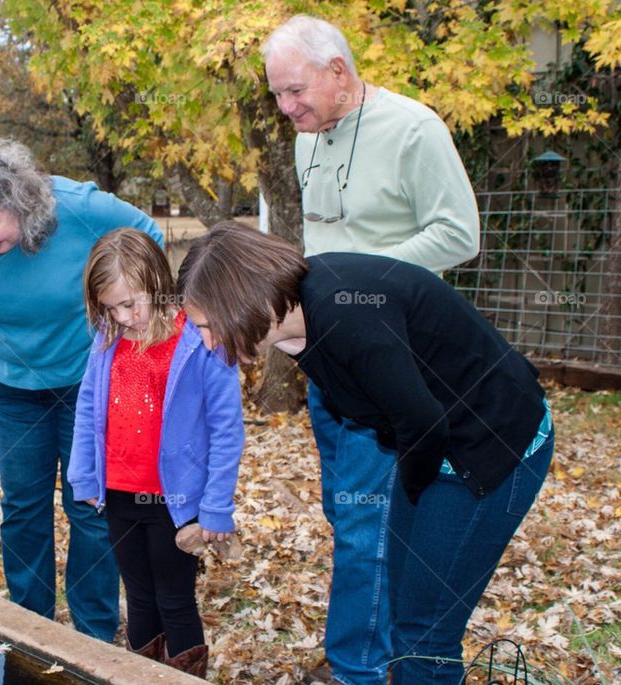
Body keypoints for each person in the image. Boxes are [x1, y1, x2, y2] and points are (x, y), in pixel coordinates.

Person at [178, 223, 554, 685]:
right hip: (438, 448)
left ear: (242, 300)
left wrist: (417, 499)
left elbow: (422, 422)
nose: (211, 343)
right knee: (404, 610)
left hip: (494, 447)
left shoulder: (346, 314)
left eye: (209, 327)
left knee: (425, 636)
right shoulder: (298, 320)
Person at [262, 14, 481, 683]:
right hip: (330, 362)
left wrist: (369, 285)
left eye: (296, 90)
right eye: (277, 94)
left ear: (339, 70)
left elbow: (459, 233)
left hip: (392, 358)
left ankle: (356, 670)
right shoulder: (308, 139)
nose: (287, 107)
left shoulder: (414, 129)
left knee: (365, 525)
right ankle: (383, 651)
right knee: (351, 513)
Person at [0, 139, 163, 642]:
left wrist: (129, 320)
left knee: (88, 506)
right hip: (12, 391)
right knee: (23, 506)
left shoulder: (79, 208)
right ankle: (29, 627)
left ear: (20, 203)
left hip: (86, 383)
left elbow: (146, 234)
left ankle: (92, 634)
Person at [67, 229, 245, 678]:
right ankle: (141, 674)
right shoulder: (108, 338)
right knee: (139, 596)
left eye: (130, 303)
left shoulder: (201, 338)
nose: (123, 317)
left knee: (174, 598)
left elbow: (227, 430)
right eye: (111, 307)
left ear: (159, 283)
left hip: (177, 501)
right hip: (121, 493)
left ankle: (185, 675)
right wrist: (85, 475)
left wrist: (217, 508)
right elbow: (89, 407)